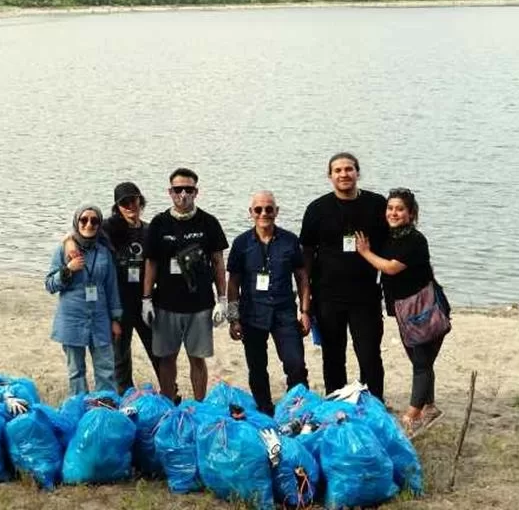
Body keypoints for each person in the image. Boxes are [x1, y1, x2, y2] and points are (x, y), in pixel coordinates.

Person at [299, 152, 389, 401]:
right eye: (337, 170)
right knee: (333, 356)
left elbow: (392, 245)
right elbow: (305, 256)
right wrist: (304, 302)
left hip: (365, 295)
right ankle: (335, 405)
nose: (344, 174)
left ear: (357, 173)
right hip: (327, 296)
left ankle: (374, 405)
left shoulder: (376, 204)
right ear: (330, 176)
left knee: (369, 355)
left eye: (349, 169)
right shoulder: (317, 209)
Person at [62, 182, 167, 395]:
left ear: (140, 201)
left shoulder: (150, 230)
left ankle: (169, 392)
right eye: (124, 203)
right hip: (119, 303)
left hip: (147, 300)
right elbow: (78, 233)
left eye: (133, 200)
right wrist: (69, 244)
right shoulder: (108, 229)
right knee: (120, 355)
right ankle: (124, 395)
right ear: (117, 207)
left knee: (159, 351)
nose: (130, 206)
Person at [355, 188, 445, 435]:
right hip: (405, 311)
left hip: (425, 308)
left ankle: (413, 414)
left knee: (421, 362)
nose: (394, 213)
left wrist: (365, 252)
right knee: (419, 359)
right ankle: (430, 407)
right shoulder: (390, 237)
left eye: (400, 209)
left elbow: (391, 268)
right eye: (390, 208)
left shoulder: (415, 240)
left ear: (411, 213)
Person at [141, 168, 229, 402]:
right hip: (166, 303)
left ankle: (199, 405)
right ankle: (169, 403)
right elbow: (151, 263)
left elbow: (218, 262)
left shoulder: (209, 222)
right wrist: (146, 299)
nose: (183, 195)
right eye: (178, 190)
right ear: (170, 192)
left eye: (188, 190)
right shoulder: (159, 223)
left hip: (200, 304)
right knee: (167, 358)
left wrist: (222, 300)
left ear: (196, 192)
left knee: (197, 359)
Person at [226, 191, 312, 416]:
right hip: (252, 313)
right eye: (258, 209)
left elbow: (302, 277)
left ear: (276, 212)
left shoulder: (290, 240)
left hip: (284, 311)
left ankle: (297, 408)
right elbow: (233, 283)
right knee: (257, 367)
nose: (264, 213)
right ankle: (265, 409)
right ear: (251, 213)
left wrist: (305, 312)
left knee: (295, 363)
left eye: (269, 209)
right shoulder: (241, 243)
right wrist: (233, 318)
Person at [46, 205, 122, 395]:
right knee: (76, 371)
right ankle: (80, 407)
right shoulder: (63, 251)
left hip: (99, 319)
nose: (89, 224)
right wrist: (68, 270)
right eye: (84, 220)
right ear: (76, 222)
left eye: (95, 221)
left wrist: (115, 319)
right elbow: (49, 285)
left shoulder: (104, 252)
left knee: (106, 369)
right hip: (72, 318)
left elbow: (111, 287)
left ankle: (106, 406)